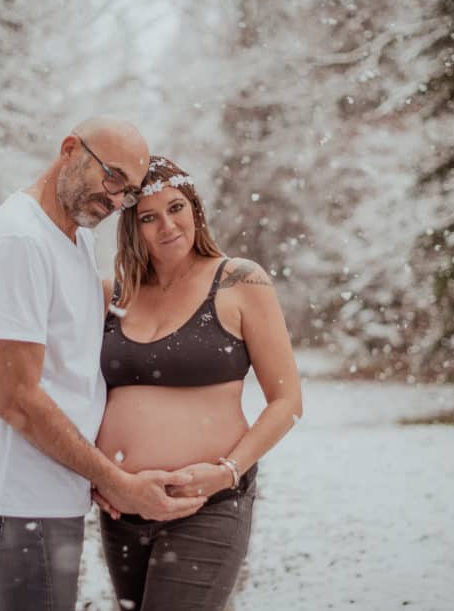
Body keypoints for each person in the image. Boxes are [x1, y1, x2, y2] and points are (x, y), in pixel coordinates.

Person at [0, 119, 208, 611]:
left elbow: (73, 355)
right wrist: (116, 482)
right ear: (70, 150)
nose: (116, 202)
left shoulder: (74, 235)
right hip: (23, 491)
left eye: (128, 193)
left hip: (52, 482)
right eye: (112, 179)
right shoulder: (20, 243)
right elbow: (19, 401)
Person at [94, 156, 304, 611]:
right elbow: (73, 392)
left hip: (207, 504)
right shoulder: (112, 295)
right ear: (131, 227)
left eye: (176, 207)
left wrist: (226, 472)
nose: (166, 225)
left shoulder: (239, 281)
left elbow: (286, 401)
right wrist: (98, 476)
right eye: (148, 217)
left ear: (195, 208)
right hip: (123, 507)